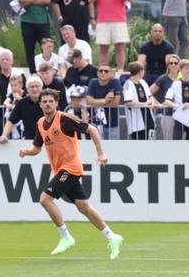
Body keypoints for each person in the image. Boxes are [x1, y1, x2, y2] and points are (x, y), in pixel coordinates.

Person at [18, 89, 123, 258]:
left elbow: (92, 130)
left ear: (56, 103)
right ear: (40, 104)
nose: (47, 104)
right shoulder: (40, 123)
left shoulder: (65, 119)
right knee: (84, 207)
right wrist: (26, 151)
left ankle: (66, 237)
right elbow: (37, 148)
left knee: (45, 199)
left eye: (51, 101)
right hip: (60, 169)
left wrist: (101, 154)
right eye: (44, 101)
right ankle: (112, 236)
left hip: (71, 168)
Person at [87, 0, 134, 70]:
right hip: (102, 21)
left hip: (119, 20)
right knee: (103, 48)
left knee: (120, 47)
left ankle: (120, 71)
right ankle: (103, 70)